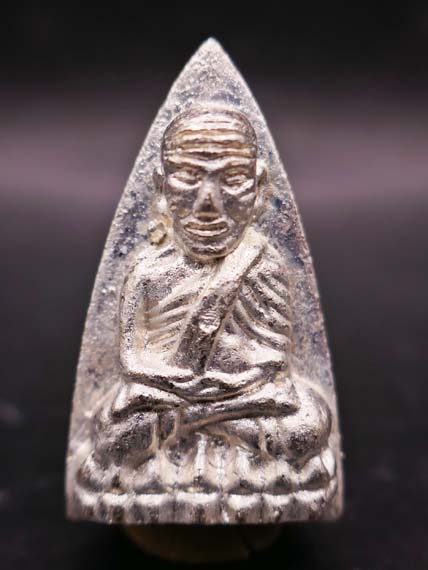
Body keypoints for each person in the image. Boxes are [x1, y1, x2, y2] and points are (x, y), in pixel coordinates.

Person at [75, 108, 337, 522]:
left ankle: (187, 440)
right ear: (161, 186)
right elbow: (132, 361)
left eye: (231, 181)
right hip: (171, 400)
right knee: (111, 432)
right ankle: (221, 448)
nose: (209, 204)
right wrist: (184, 386)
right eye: (188, 179)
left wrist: (225, 388)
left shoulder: (263, 264)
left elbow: (274, 359)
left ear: (258, 188)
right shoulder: (147, 271)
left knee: (308, 423)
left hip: (244, 397)